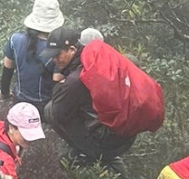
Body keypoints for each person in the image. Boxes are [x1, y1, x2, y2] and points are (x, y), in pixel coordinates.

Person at [44, 28, 138, 171]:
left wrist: (60, 89)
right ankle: (104, 153)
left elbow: (59, 113)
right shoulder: (100, 60)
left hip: (110, 141)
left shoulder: (76, 80)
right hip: (126, 132)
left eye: (57, 55)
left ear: (72, 49)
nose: (54, 59)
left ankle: (91, 153)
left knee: (50, 110)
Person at [0, 0, 64, 111]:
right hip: (43, 108)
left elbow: (7, 70)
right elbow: (57, 83)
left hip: (19, 103)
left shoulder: (15, 40)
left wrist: (4, 94)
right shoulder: (57, 50)